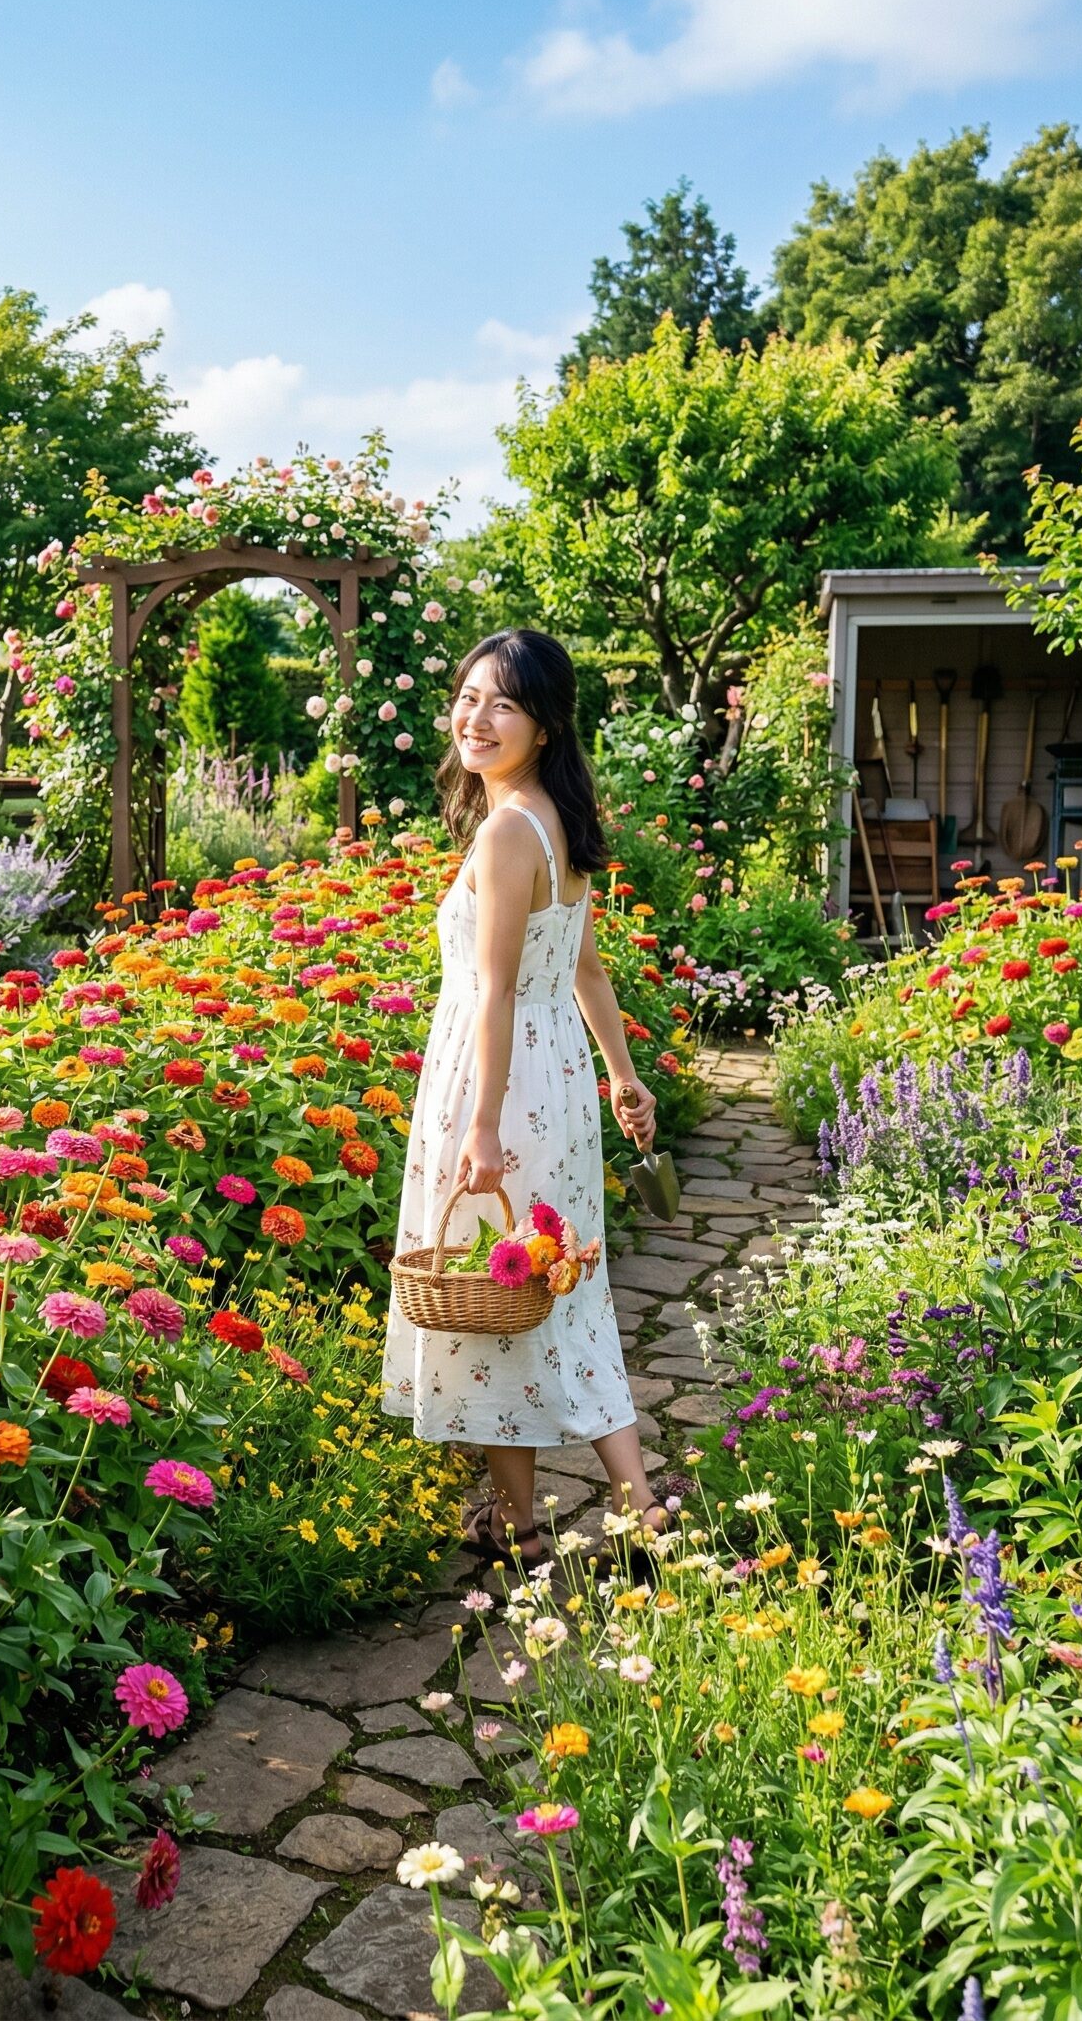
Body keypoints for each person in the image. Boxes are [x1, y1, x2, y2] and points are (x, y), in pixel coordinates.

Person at [381, 627, 667, 1570]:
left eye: (502, 703)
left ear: (543, 725)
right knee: (554, 1293)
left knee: (496, 1287)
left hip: (499, 1079)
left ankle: (526, 1527)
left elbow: (500, 988)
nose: (477, 717)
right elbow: (584, 967)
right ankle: (636, 1514)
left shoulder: (509, 829)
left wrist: (483, 1124)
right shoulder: (551, 816)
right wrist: (621, 1075)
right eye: (468, 697)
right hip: (553, 1082)